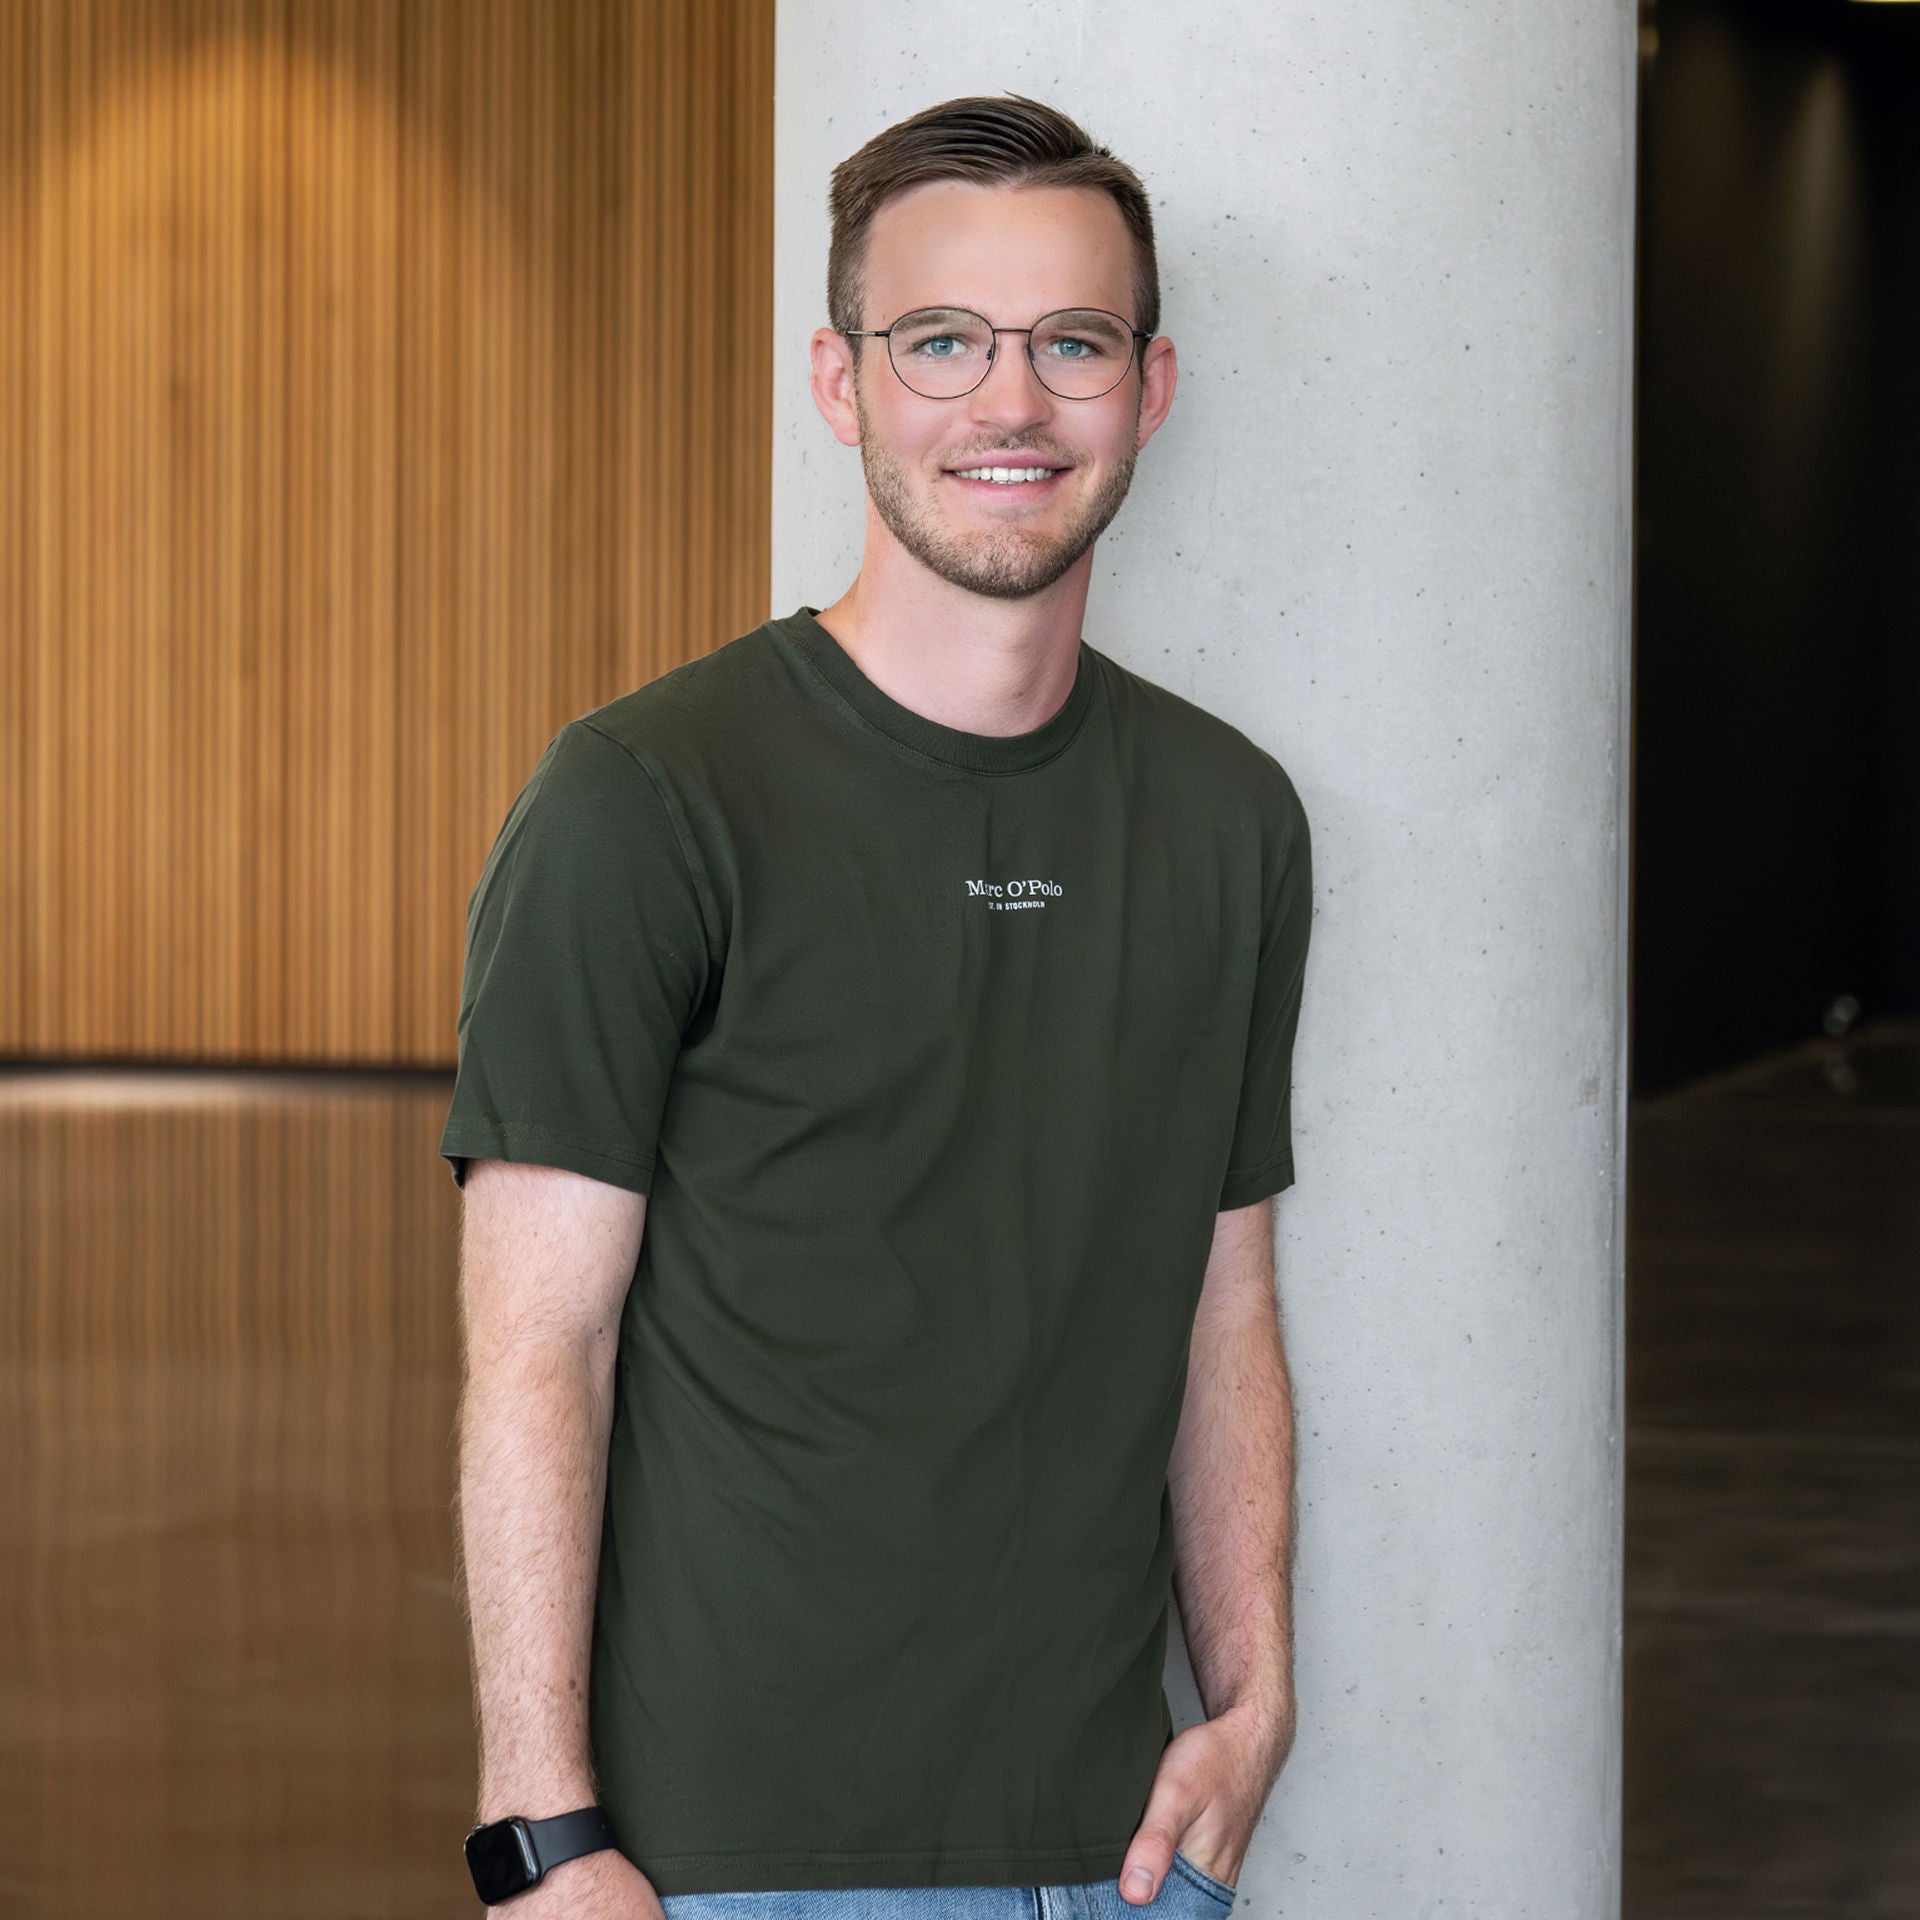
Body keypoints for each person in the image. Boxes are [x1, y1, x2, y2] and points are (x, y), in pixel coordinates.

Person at [440, 90, 1312, 1920]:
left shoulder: (1234, 821)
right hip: (732, 1863)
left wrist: (1255, 1705)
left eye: (1072, 342)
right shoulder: (643, 800)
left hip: (1127, 1860)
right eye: (942, 343)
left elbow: (1222, 1293)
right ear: (841, 383)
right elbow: (541, 1347)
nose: (1011, 404)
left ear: (1150, 387)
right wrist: (541, 1834)